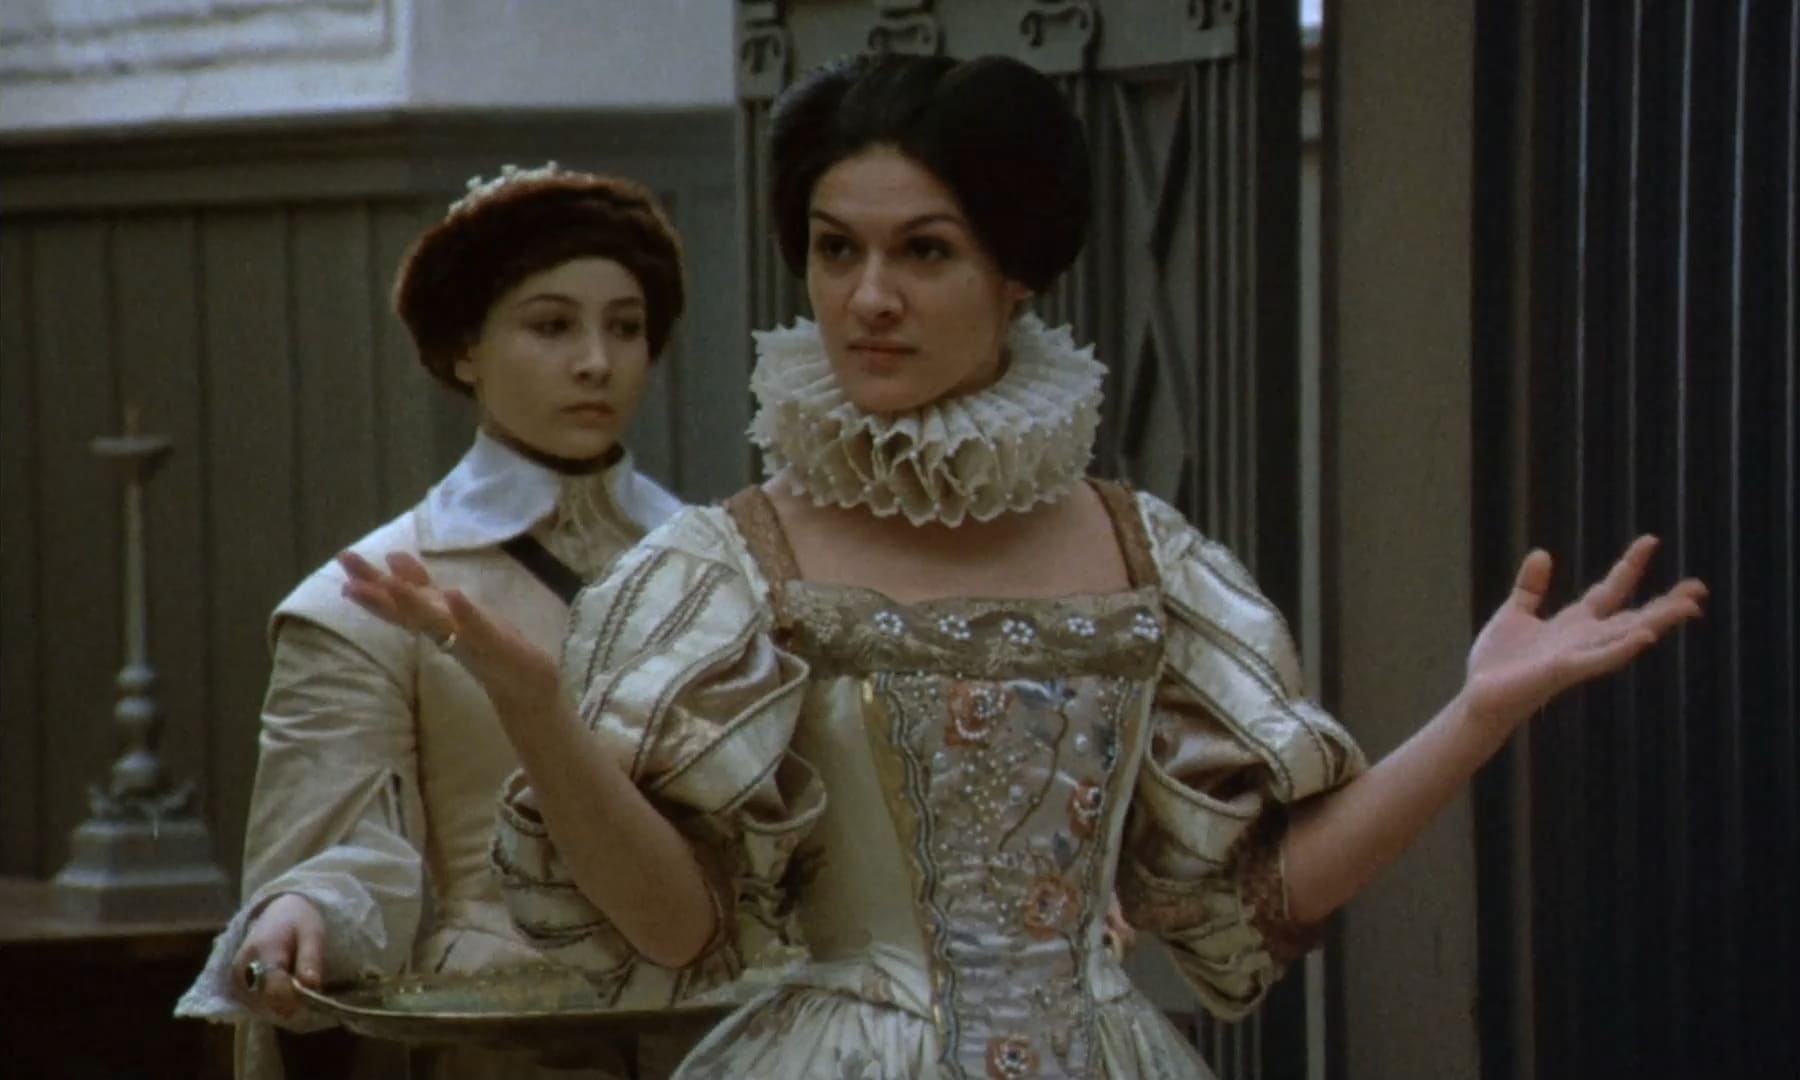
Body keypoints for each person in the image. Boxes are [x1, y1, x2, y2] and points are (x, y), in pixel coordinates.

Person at [341, 55, 1708, 1079]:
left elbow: (1257, 897)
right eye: (835, 249)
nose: (869, 296)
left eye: (924, 250)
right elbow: (676, 928)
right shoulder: (725, 564)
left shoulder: (1142, 550)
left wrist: (1476, 715)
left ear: (1021, 276)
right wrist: (539, 711)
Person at [176, 163, 689, 1080]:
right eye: (551, 325)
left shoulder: (715, 563)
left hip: (713, 1029)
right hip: (500, 1033)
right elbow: (345, 857)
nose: (596, 362)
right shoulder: (364, 600)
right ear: (464, 351)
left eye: (625, 327)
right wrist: (303, 914)